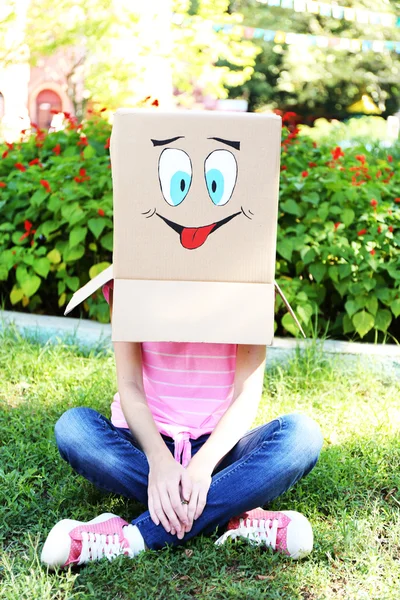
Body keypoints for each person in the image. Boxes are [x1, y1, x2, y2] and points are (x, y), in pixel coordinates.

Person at [41, 281, 323, 568]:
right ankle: (233, 510)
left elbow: (246, 395)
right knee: (75, 428)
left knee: (302, 437)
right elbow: (130, 385)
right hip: (144, 442)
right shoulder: (128, 282)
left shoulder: (249, 284)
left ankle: (132, 538)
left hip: (218, 450)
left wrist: (202, 467)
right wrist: (159, 461)